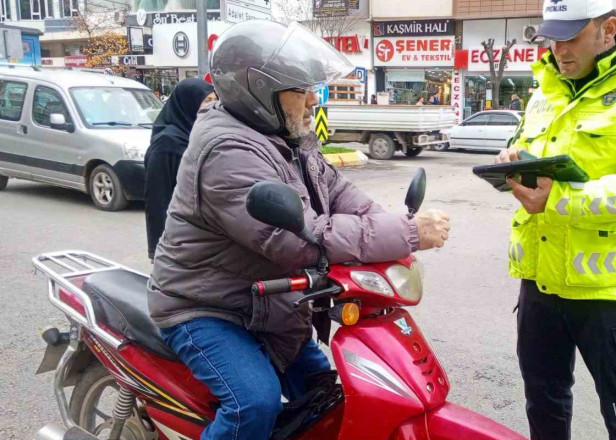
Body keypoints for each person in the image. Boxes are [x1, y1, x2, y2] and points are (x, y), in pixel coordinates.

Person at [148, 21, 451, 440]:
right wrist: (410, 233)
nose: (313, 98)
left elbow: (343, 194)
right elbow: (299, 239)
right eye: (299, 89)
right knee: (254, 404)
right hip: (206, 307)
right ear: (257, 91)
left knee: (326, 397)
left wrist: (393, 226)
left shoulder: (284, 137)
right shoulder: (228, 151)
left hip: (266, 305)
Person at [494, 1, 616, 439]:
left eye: (571, 36)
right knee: (543, 403)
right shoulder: (546, 90)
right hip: (540, 284)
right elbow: (530, 155)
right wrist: (512, 162)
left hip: (610, 293)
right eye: (552, 37)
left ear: (608, 29)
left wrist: (558, 199)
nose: (559, 49)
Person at [144, 78, 216, 262]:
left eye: (216, 100)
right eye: (207, 101)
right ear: (187, 103)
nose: (213, 106)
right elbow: (157, 199)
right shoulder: (167, 143)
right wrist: (157, 249)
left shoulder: (197, 137)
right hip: (176, 243)